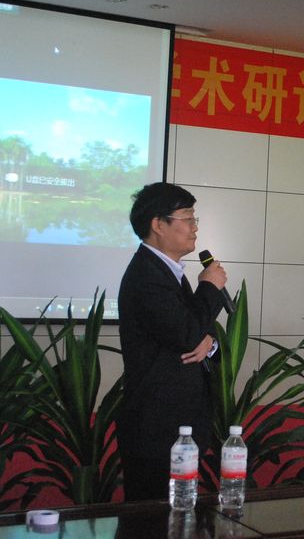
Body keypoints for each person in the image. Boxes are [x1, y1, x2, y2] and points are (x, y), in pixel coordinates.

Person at [116, 182, 227, 501]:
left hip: (176, 427)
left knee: (177, 515)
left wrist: (209, 341)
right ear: (158, 224)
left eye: (194, 219)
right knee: (153, 517)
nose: (195, 227)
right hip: (156, 428)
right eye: (187, 218)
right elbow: (188, 333)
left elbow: (197, 330)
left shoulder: (168, 272)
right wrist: (210, 288)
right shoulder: (147, 276)